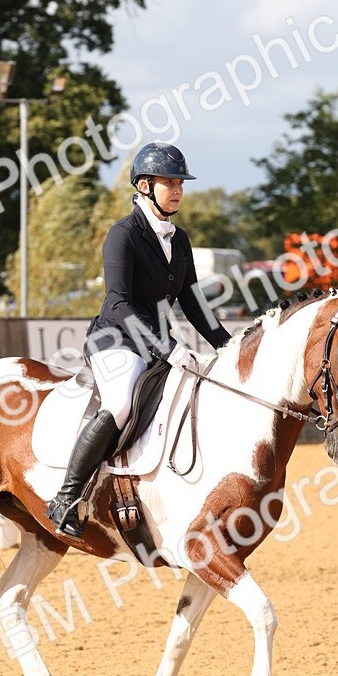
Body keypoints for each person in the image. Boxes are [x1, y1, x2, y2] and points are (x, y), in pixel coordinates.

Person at [46, 141, 232, 538]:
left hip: (160, 342)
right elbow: (118, 302)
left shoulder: (179, 239)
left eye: (180, 182)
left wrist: (228, 346)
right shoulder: (123, 234)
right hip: (116, 340)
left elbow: (194, 302)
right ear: (145, 185)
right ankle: (66, 496)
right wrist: (166, 348)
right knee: (119, 405)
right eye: (169, 182)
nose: (178, 189)